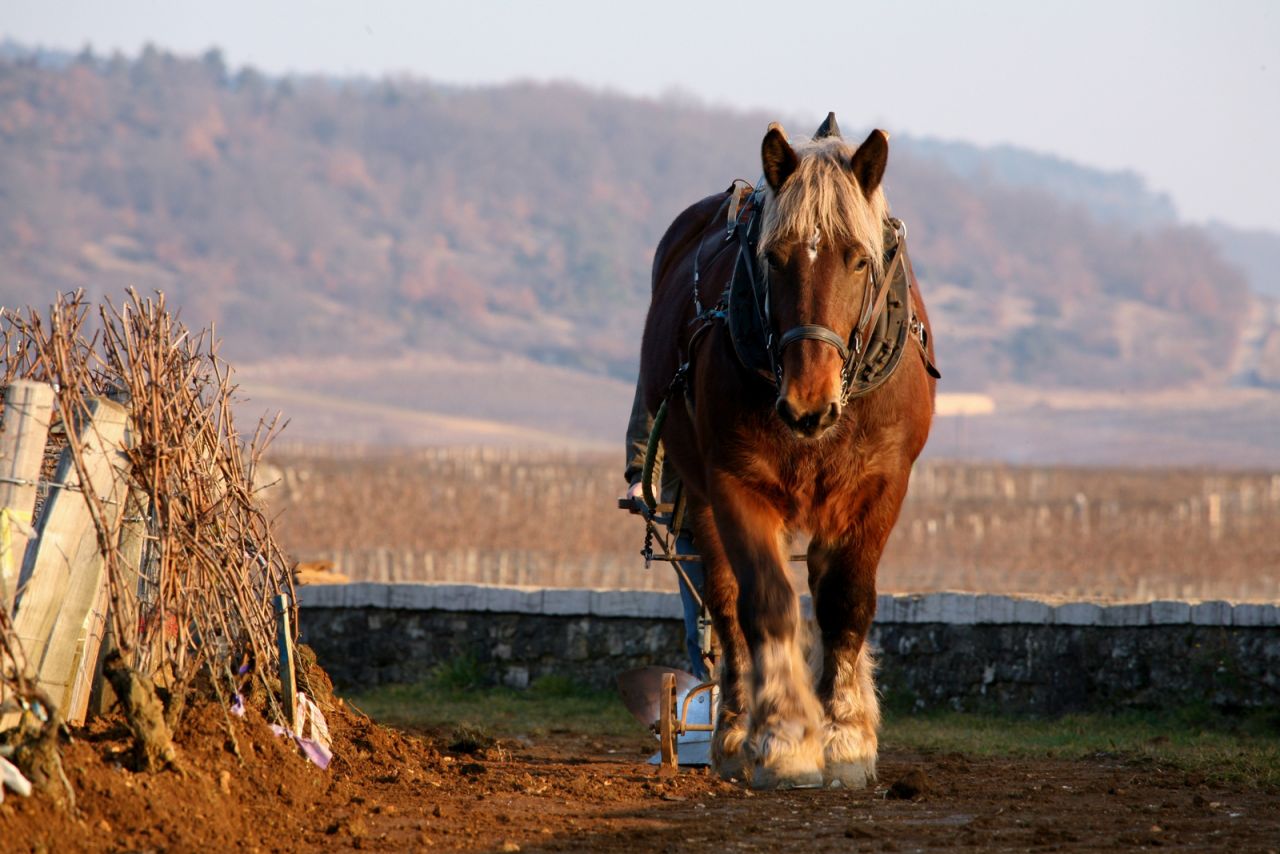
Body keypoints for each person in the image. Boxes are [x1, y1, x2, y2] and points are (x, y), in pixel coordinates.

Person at [622, 379, 709, 680]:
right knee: (701, 626)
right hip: (694, 514)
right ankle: (712, 702)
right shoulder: (677, 343)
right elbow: (651, 414)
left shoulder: (766, 341)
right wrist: (642, 479)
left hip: (759, 519)